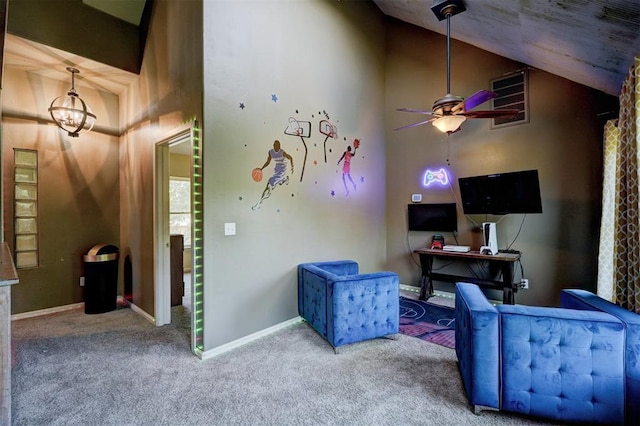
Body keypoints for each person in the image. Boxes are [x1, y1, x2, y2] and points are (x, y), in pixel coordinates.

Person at [252, 140, 294, 210]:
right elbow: (268, 161)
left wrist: (292, 167)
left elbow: (290, 157)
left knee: (270, 184)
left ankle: (259, 203)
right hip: (277, 168)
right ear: (273, 146)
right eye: (275, 146)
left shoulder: (282, 152)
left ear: (279, 146)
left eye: (278, 146)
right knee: (277, 182)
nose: (276, 147)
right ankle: (285, 179)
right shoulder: (271, 152)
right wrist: (262, 168)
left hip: (283, 169)